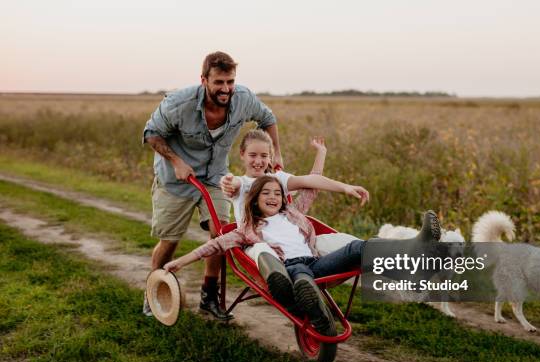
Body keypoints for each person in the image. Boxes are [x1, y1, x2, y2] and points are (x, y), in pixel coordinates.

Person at [163, 176, 441, 336]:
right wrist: (180, 262)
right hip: (292, 269)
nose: (273, 197)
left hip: (316, 261)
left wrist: (325, 160)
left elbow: (311, 186)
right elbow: (215, 245)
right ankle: (320, 318)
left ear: (284, 199)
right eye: (265, 193)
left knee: (358, 248)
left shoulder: (294, 214)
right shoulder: (247, 228)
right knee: (302, 280)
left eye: (277, 193)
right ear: (255, 198)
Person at [142, 51, 281, 320]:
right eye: (219, 82)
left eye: (230, 81)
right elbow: (151, 134)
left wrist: (277, 151)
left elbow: (268, 118)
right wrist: (176, 161)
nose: (225, 89)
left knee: (220, 235)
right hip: (176, 180)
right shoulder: (178, 103)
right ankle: (153, 291)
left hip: (216, 176)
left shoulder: (243, 99)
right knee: (169, 241)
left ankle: (209, 297)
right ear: (204, 79)